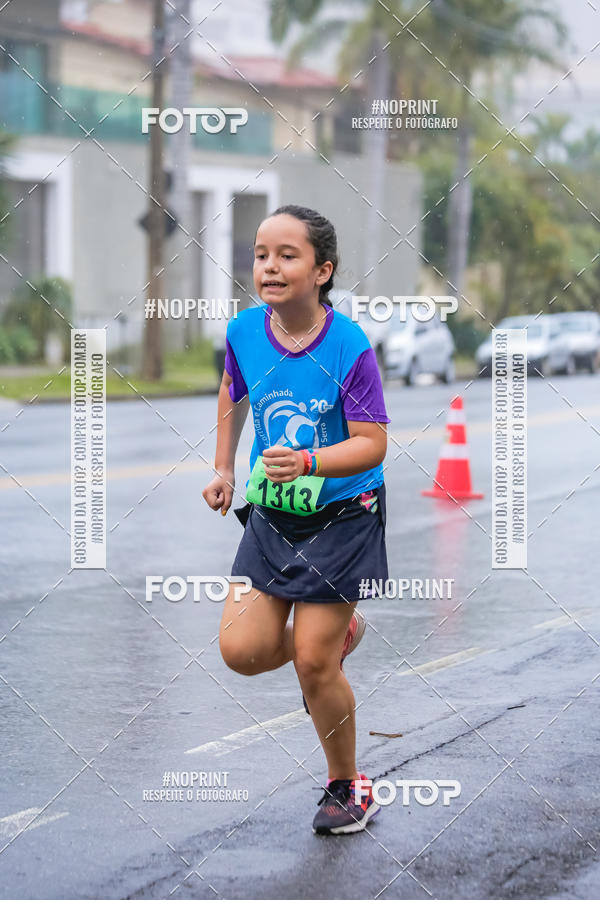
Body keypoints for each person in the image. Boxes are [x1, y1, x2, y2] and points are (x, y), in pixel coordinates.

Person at [202, 204, 390, 835]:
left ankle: (348, 784)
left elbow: (371, 443)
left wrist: (309, 460)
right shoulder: (245, 331)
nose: (270, 267)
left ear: (322, 270)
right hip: (273, 515)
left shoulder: (349, 346)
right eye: (261, 254)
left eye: (288, 255)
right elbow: (234, 388)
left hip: (344, 513)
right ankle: (343, 632)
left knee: (312, 660)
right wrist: (225, 468)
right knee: (243, 650)